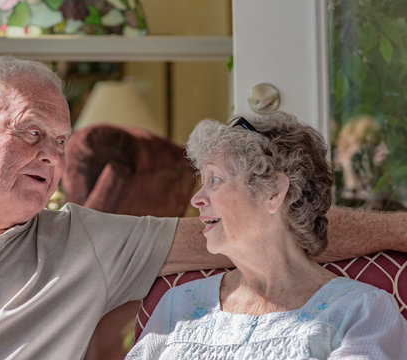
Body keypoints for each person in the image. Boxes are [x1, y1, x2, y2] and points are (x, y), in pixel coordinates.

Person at [0, 56, 405, 360]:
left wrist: (402, 225)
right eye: (31, 133)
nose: (51, 156)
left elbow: (264, 228)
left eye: (61, 142)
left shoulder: (83, 239)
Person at [126, 112, 407, 359]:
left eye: (215, 179)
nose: (197, 198)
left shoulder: (360, 312)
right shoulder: (179, 303)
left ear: (274, 191)